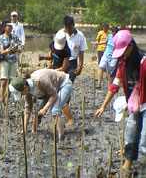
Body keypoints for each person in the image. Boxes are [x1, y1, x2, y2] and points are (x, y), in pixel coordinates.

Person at [95, 30, 146, 171]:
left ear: (131, 46)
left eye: (124, 50)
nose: (122, 54)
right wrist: (103, 106)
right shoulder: (123, 64)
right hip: (135, 105)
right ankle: (127, 165)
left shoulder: (144, 62)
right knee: (130, 135)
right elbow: (114, 86)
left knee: (144, 139)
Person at [9, 69, 73, 140]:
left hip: (63, 84)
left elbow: (53, 94)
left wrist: (45, 109)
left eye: (21, 94)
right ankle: (34, 132)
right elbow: (28, 108)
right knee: (38, 112)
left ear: (24, 87)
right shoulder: (27, 91)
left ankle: (61, 137)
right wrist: (24, 128)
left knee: (55, 110)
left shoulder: (39, 80)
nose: (22, 95)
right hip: (51, 89)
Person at [61, 16, 88, 125]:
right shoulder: (60, 33)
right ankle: (63, 108)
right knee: (59, 85)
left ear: (73, 25)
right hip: (62, 62)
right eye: (65, 27)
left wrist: (80, 66)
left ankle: (64, 106)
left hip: (72, 63)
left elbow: (81, 52)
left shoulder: (80, 36)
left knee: (68, 84)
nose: (67, 29)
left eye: (69, 27)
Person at [0, 20, 22, 105]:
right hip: (5, 60)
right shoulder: (1, 38)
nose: (10, 28)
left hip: (13, 60)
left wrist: (16, 49)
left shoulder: (15, 37)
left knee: (11, 81)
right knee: (3, 81)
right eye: (8, 26)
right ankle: (1, 98)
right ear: (4, 27)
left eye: (11, 26)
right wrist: (8, 51)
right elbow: (1, 52)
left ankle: (7, 99)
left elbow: (20, 48)